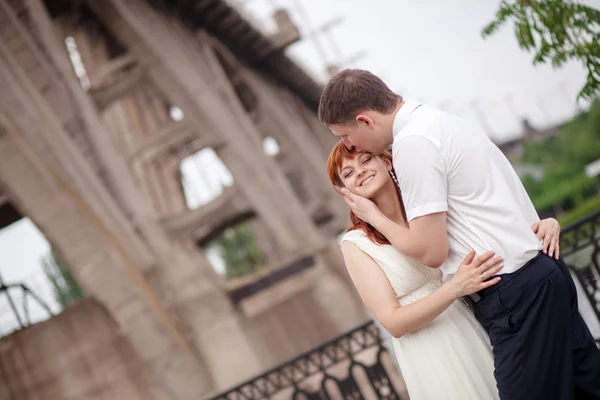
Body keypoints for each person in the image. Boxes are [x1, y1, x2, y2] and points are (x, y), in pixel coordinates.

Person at [318, 69, 600, 400]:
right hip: (539, 272)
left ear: (365, 121)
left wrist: (373, 217)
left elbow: (432, 252)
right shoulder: (442, 121)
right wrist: (534, 225)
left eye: (345, 136)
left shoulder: (413, 145)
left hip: (512, 292)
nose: (347, 145)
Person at [328, 143, 563, 399]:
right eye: (348, 173)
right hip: (433, 350)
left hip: (476, 323)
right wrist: (454, 288)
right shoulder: (356, 244)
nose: (360, 172)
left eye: (365, 160)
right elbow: (393, 323)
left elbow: (490, 233)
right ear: (345, 192)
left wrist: (543, 224)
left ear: (386, 161)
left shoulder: (426, 210)